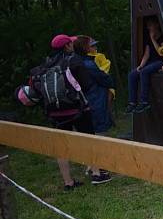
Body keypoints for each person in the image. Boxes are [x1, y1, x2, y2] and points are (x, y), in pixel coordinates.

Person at [35, 35, 94, 189]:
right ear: (67, 46)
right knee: (89, 139)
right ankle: (97, 173)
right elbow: (87, 84)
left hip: (55, 112)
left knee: (61, 146)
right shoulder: (73, 61)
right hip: (77, 108)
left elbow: (37, 89)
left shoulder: (45, 65)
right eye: (71, 43)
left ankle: (68, 182)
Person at [73, 36, 114, 184]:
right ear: (85, 47)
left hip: (82, 103)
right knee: (100, 133)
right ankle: (100, 169)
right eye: (91, 45)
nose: (94, 48)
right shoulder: (88, 64)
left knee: (90, 134)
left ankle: (94, 166)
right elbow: (105, 79)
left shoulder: (73, 62)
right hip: (95, 100)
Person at [126, 18, 163, 114]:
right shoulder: (148, 38)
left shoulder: (162, 37)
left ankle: (144, 101)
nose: (148, 28)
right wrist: (140, 65)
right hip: (151, 61)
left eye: (150, 25)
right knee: (132, 74)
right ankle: (132, 102)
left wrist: (153, 39)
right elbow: (147, 54)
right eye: (147, 26)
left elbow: (161, 53)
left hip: (161, 61)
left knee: (145, 72)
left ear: (156, 25)